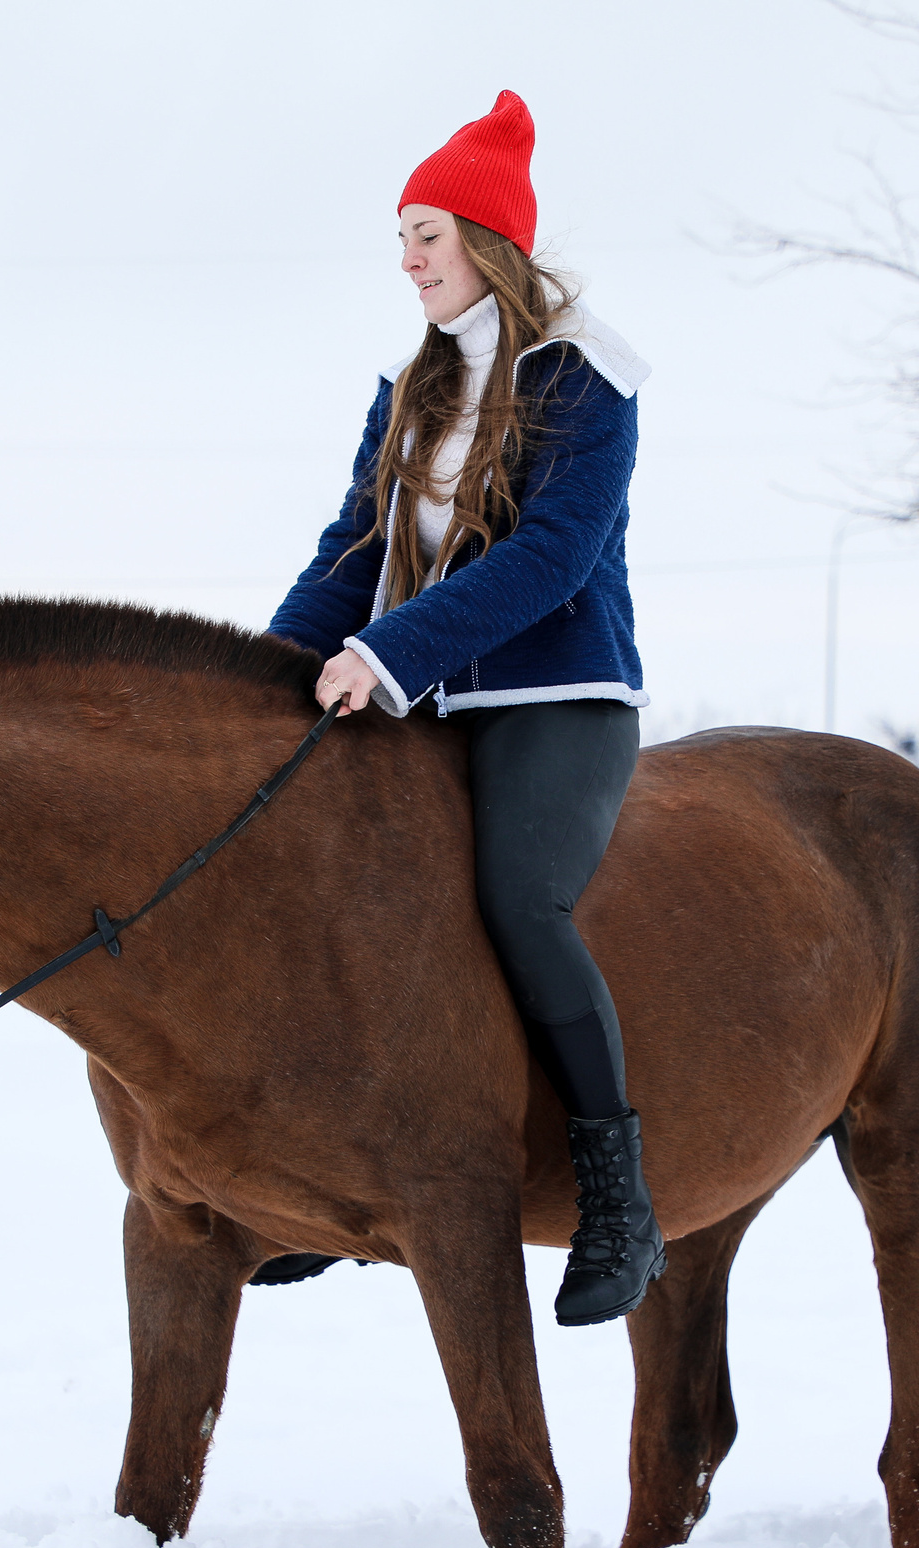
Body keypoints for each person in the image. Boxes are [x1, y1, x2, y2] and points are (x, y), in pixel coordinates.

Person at [261, 90, 663, 1327]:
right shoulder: (408, 386)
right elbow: (353, 544)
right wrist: (266, 675)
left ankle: (618, 1199)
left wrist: (386, 656)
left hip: (558, 696)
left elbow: (549, 558)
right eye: (399, 237)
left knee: (514, 901)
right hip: (422, 693)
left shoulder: (588, 377)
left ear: (487, 241)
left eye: (424, 233)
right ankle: (344, 1184)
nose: (407, 260)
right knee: (338, 885)